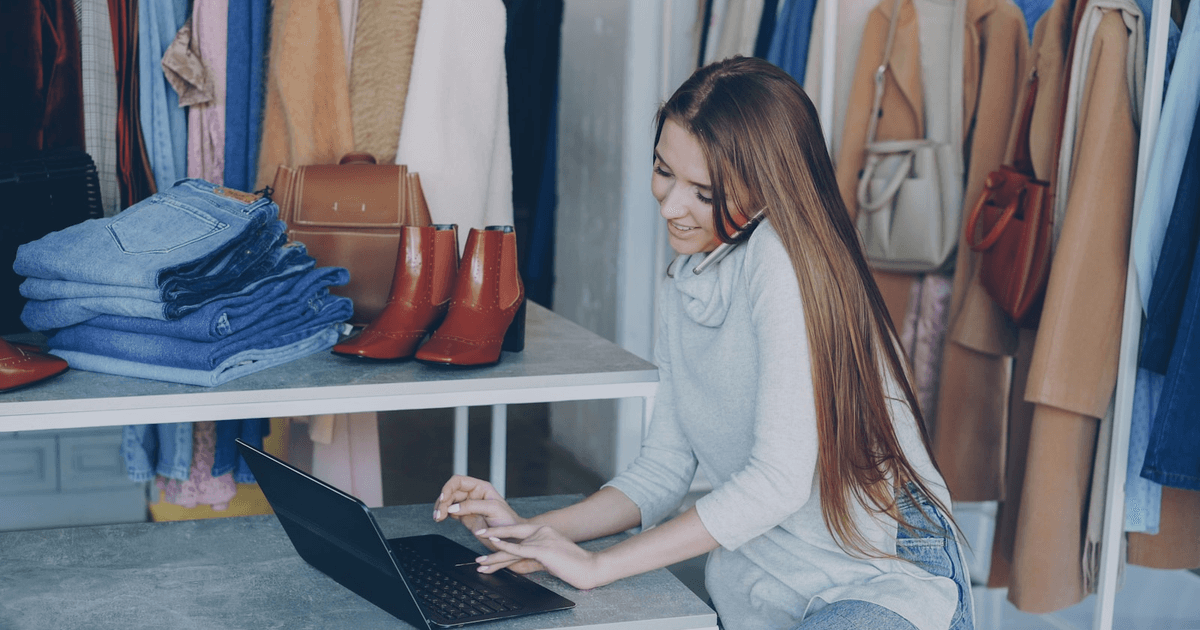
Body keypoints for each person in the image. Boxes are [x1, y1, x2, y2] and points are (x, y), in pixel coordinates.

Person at [432, 56, 974, 630]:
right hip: (769, 565)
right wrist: (539, 532)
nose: (669, 206)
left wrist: (596, 566)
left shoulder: (782, 262)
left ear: (770, 188)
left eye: (705, 193)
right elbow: (664, 470)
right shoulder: (690, 279)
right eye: (664, 170)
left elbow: (775, 483)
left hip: (879, 570)